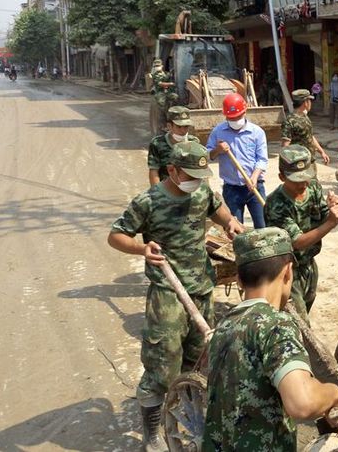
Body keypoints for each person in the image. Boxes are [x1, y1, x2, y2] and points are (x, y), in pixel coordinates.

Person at [108, 141, 244, 452]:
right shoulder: (149, 201)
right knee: (162, 365)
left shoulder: (202, 191)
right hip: (168, 291)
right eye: (190, 174)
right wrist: (142, 248)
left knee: (200, 359)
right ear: (172, 170)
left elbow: (217, 208)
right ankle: (152, 435)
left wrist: (231, 223)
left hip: (201, 288)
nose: (195, 180)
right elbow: (116, 236)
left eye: (200, 174)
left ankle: (189, 416)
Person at [203, 228, 338, 451]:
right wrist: (335, 394)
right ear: (288, 272)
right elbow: (302, 403)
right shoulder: (275, 325)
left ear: (239, 281)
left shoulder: (224, 325)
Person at [264, 145, 338, 324]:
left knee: (307, 304)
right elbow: (297, 242)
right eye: (296, 180)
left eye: (306, 178)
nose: (303, 184)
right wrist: (331, 222)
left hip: (308, 265)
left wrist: (332, 208)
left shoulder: (313, 188)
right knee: (301, 323)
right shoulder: (275, 204)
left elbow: (323, 214)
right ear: (282, 177)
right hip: (286, 270)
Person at [206, 93, 269, 228]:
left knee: (263, 226)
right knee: (234, 228)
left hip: (254, 187)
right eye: (231, 118)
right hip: (231, 189)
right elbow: (207, 156)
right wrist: (218, 150)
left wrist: (254, 177)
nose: (235, 120)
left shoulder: (257, 132)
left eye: (238, 117)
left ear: (245, 112)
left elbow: (262, 159)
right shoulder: (218, 132)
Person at [147, 106, 199, 186]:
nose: (183, 131)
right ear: (169, 126)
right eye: (179, 127)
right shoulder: (157, 143)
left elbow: (199, 170)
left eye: (186, 127)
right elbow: (154, 171)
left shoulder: (194, 142)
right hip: (166, 190)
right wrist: (157, 194)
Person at [280, 89, 330, 165]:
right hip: (298, 163)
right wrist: (287, 166)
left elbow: (310, 136)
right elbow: (285, 146)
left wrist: (322, 152)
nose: (310, 103)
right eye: (309, 101)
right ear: (305, 103)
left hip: (310, 160)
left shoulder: (305, 117)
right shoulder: (289, 121)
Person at [150, 58, 178, 132]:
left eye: (158, 65)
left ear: (162, 66)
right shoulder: (155, 75)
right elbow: (160, 84)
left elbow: (167, 77)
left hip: (167, 91)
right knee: (162, 105)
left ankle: (173, 111)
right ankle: (164, 124)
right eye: (155, 66)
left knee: (175, 97)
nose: (157, 67)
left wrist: (171, 74)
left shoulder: (164, 73)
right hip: (160, 92)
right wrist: (170, 84)